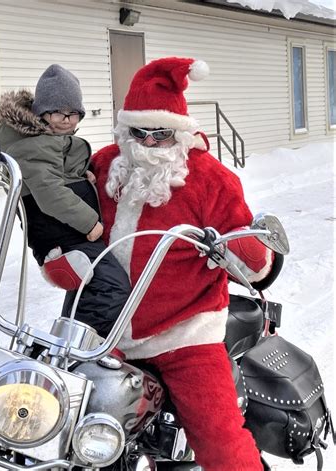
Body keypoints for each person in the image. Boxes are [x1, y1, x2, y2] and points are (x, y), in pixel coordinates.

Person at [91, 57, 279, 470]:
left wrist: (246, 252)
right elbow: (59, 196)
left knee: (219, 437)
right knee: (64, 422)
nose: (149, 144)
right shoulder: (105, 166)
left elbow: (250, 255)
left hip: (184, 332)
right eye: (139, 134)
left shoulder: (210, 178)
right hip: (108, 333)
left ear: (178, 132)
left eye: (161, 134)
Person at [0, 64, 131, 337]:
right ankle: (80, 352)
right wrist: (89, 221)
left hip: (68, 235)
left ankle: (65, 340)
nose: (67, 120)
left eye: (74, 113)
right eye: (59, 112)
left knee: (89, 287)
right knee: (114, 288)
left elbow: (58, 171)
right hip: (63, 237)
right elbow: (49, 192)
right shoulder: (32, 144)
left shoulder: (48, 139)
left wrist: (83, 176)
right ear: (42, 113)